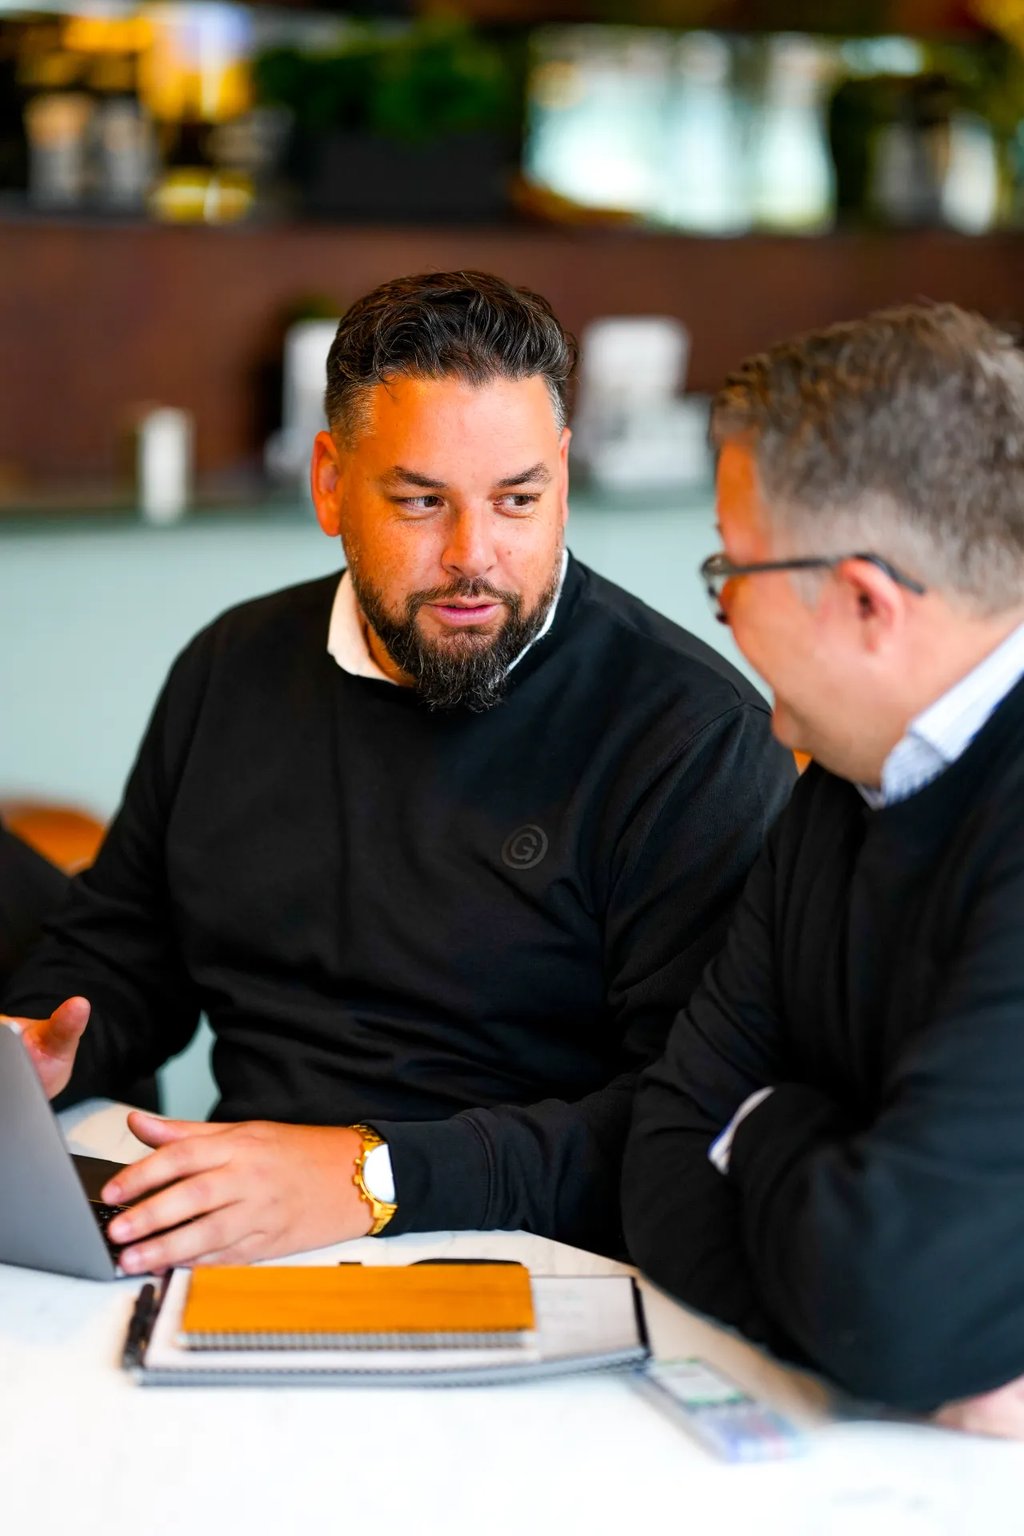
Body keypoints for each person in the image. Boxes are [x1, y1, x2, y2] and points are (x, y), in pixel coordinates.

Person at [3, 269, 792, 1275]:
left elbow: (690, 1122)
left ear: (561, 473)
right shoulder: (232, 667)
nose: (475, 556)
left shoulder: (689, 738)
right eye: (422, 501)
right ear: (331, 483)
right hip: (240, 1234)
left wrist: (370, 1177)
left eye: (518, 500)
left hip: (529, 1258)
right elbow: (124, 948)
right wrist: (47, 1044)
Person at [622, 301, 1024, 1436]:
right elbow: (662, 1168)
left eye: (731, 568)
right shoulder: (841, 783)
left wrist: (754, 1130)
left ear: (863, 602)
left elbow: (893, 1304)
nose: (720, 609)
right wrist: (826, 1184)